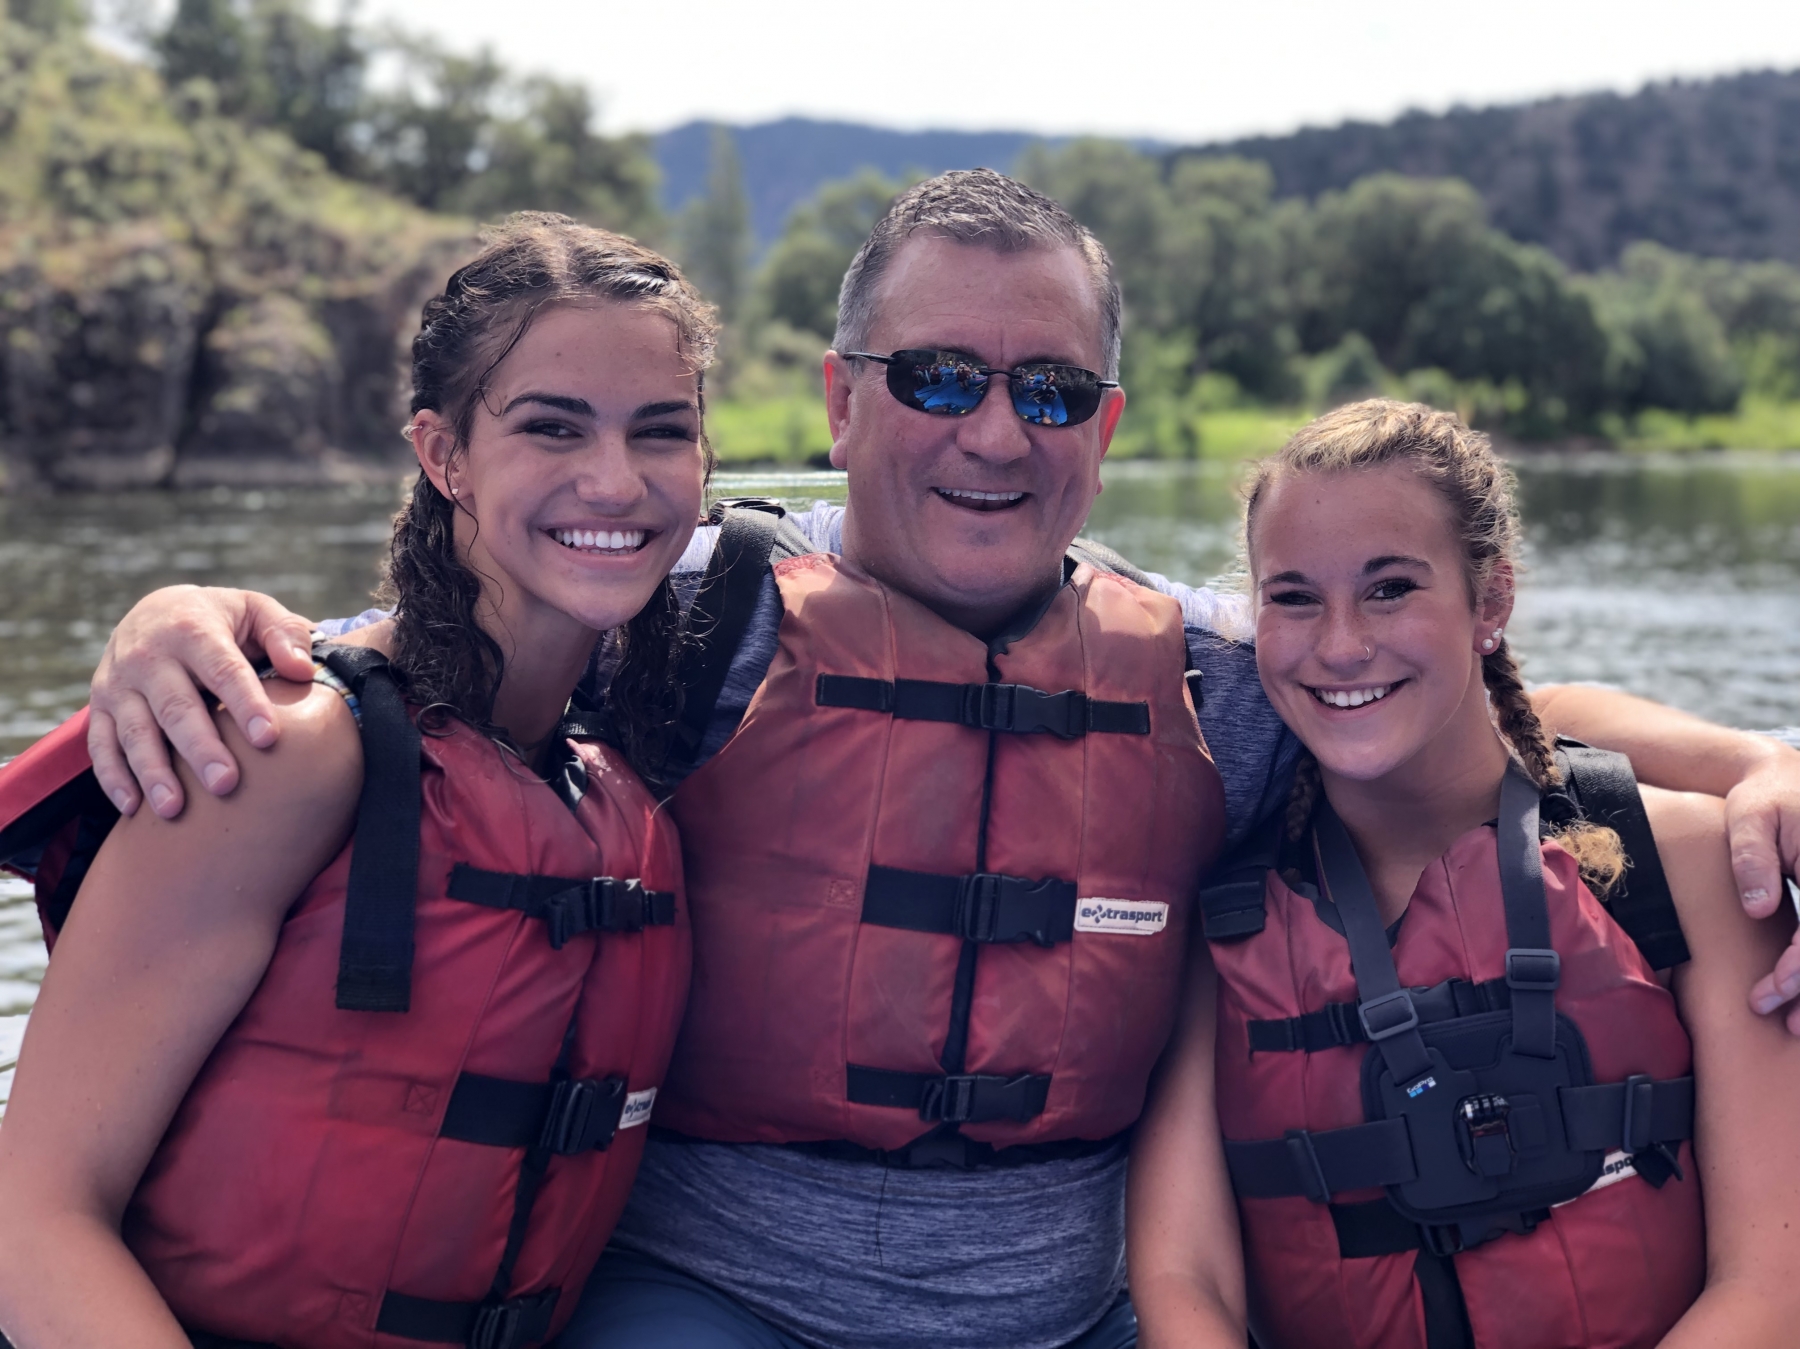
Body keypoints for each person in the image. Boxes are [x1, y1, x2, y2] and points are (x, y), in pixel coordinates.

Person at [70, 171, 1800, 1349]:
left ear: (1108, 428)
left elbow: (1461, 702)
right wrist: (172, 612)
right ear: (838, 400)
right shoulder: (677, 605)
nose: (994, 430)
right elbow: (408, 648)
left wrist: (1770, 753)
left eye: (1051, 389)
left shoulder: (1218, 673)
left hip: (1072, 1308)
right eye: (941, 376)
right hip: (710, 1292)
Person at [0, 216, 710, 1349]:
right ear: (443, 455)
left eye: (661, 432)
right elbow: (34, 1219)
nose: (615, 480)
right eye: (552, 427)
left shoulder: (609, 791)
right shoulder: (286, 750)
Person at [1128, 401, 1800, 1349]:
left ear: (1490, 603)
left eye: (1391, 587)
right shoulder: (1226, 916)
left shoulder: (1692, 864)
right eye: (1293, 596)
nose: (1341, 644)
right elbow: (1182, 1276)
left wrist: (1759, 760)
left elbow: (1773, 1288)